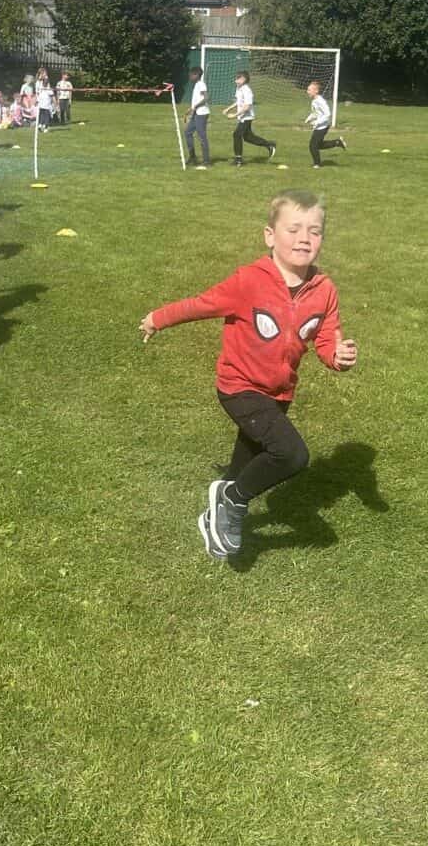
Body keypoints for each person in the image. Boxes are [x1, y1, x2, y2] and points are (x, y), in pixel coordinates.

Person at [139, 191, 357, 559]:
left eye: (315, 231)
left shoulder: (324, 291)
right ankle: (233, 501)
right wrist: (157, 319)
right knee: (291, 455)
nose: (304, 238)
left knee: (245, 465)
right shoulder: (249, 281)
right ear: (270, 235)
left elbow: (325, 337)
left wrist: (338, 356)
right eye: (293, 229)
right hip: (240, 386)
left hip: (279, 393)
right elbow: (203, 304)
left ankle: (217, 514)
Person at [223, 70, 277, 165]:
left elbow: (247, 106)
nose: (235, 81)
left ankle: (238, 159)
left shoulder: (247, 90)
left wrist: (234, 115)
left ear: (244, 79)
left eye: (238, 79)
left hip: (246, 117)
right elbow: (238, 102)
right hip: (242, 117)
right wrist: (228, 108)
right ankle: (269, 145)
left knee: (236, 134)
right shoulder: (239, 88)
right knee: (248, 137)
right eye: (236, 78)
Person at [304, 80, 347, 168]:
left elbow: (328, 114)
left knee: (313, 146)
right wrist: (309, 118)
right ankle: (337, 142)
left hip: (323, 127)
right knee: (318, 145)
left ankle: (317, 164)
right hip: (319, 126)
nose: (307, 92)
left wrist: (317, 122)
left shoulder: (320, 101)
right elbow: (315, 113)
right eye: (308, 90)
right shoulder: (314, 101)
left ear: (316, 91)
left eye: (309, 90)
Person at [184, 66, 211, 167]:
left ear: (196, 75)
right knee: (187, 132)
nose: (189, 77)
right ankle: (192, 157)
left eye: (191, 75)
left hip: (202, 114)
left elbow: (206, 98)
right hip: (196, 113)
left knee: (201, 136)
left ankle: (207, 161)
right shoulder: (196, 85)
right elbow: (197, 99)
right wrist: (191, 109)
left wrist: (195, 107)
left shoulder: (201, 84)